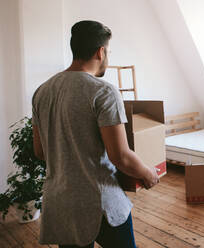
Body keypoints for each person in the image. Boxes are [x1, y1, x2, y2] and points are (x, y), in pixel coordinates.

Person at [32, 20, 159, 248]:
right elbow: (120, 156)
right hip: (99, 201)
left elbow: (40, 151)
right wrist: (148, 173)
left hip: (60, 202)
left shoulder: (41, 92)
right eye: (108, 52)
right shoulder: (104, 91)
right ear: (100, 52)